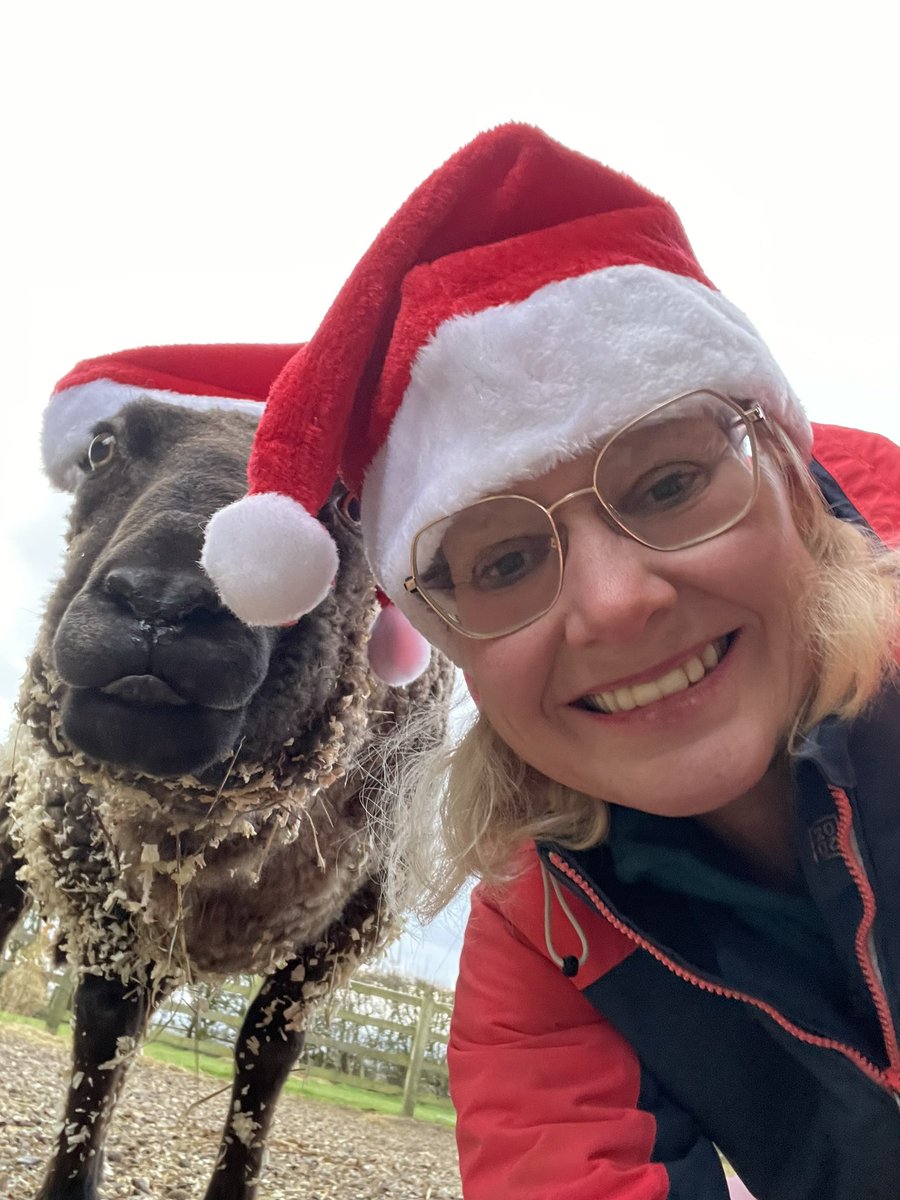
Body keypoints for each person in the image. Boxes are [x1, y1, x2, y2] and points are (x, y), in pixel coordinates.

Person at [201, 125, 900, 1200]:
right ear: (448, 643)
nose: (617, 604)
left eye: (669, 484)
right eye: (507, 559)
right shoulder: (549, 928)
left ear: (795, 484)